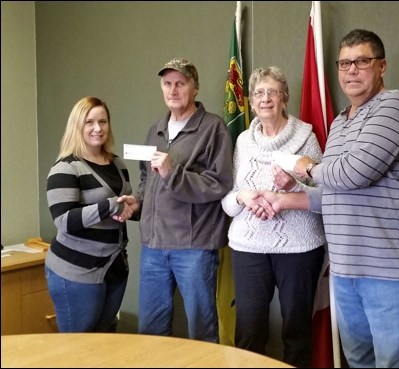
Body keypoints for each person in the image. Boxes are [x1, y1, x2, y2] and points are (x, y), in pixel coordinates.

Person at [294, 29, 399, 368]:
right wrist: (285, 198)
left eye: (362, 61)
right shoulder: (339, 122)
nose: (351, 70)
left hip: (387, 271)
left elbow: (354, 173)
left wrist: (309, 167)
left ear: (382, 66)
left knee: (393, 362)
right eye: (344, 63)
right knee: (358, 360)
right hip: (344, 267)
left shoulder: (395, 105)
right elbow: (334, 193)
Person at [117, 58, 233, 343]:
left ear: (195, 88)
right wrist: (138, 203)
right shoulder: (155, 130)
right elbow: (147, 179)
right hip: (154, 247)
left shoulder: (213, 129)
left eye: (180, 83)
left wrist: (173, 173)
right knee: (151, 331)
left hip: (194, 248)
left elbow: (218, 184)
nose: (173, 90)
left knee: (201, 330)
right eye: (167, 84)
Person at [221, 66, 326, 368]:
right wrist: (244, 197)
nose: (265, 98)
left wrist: (291, 187)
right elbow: (229, 201)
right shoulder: (242, 141)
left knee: (296, 333)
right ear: (251, 102)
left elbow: (325, 197)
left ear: (284, 98)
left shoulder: (306, 136)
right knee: (249, 332)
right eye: (258, 93)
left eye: (272, 92)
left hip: (299, 249)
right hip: (248, 248)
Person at [45, 96, 135, 332]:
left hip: (113, 268)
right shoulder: (65, 167)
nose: (98, 128)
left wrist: (134, 207)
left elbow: (124, 207)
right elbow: (64, 220)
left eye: (103, 122)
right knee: (78, 349)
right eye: (90, 122)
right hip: (76, 272)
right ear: (78, 126)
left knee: (102, 343)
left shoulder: (118, 165)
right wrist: (110, 205)